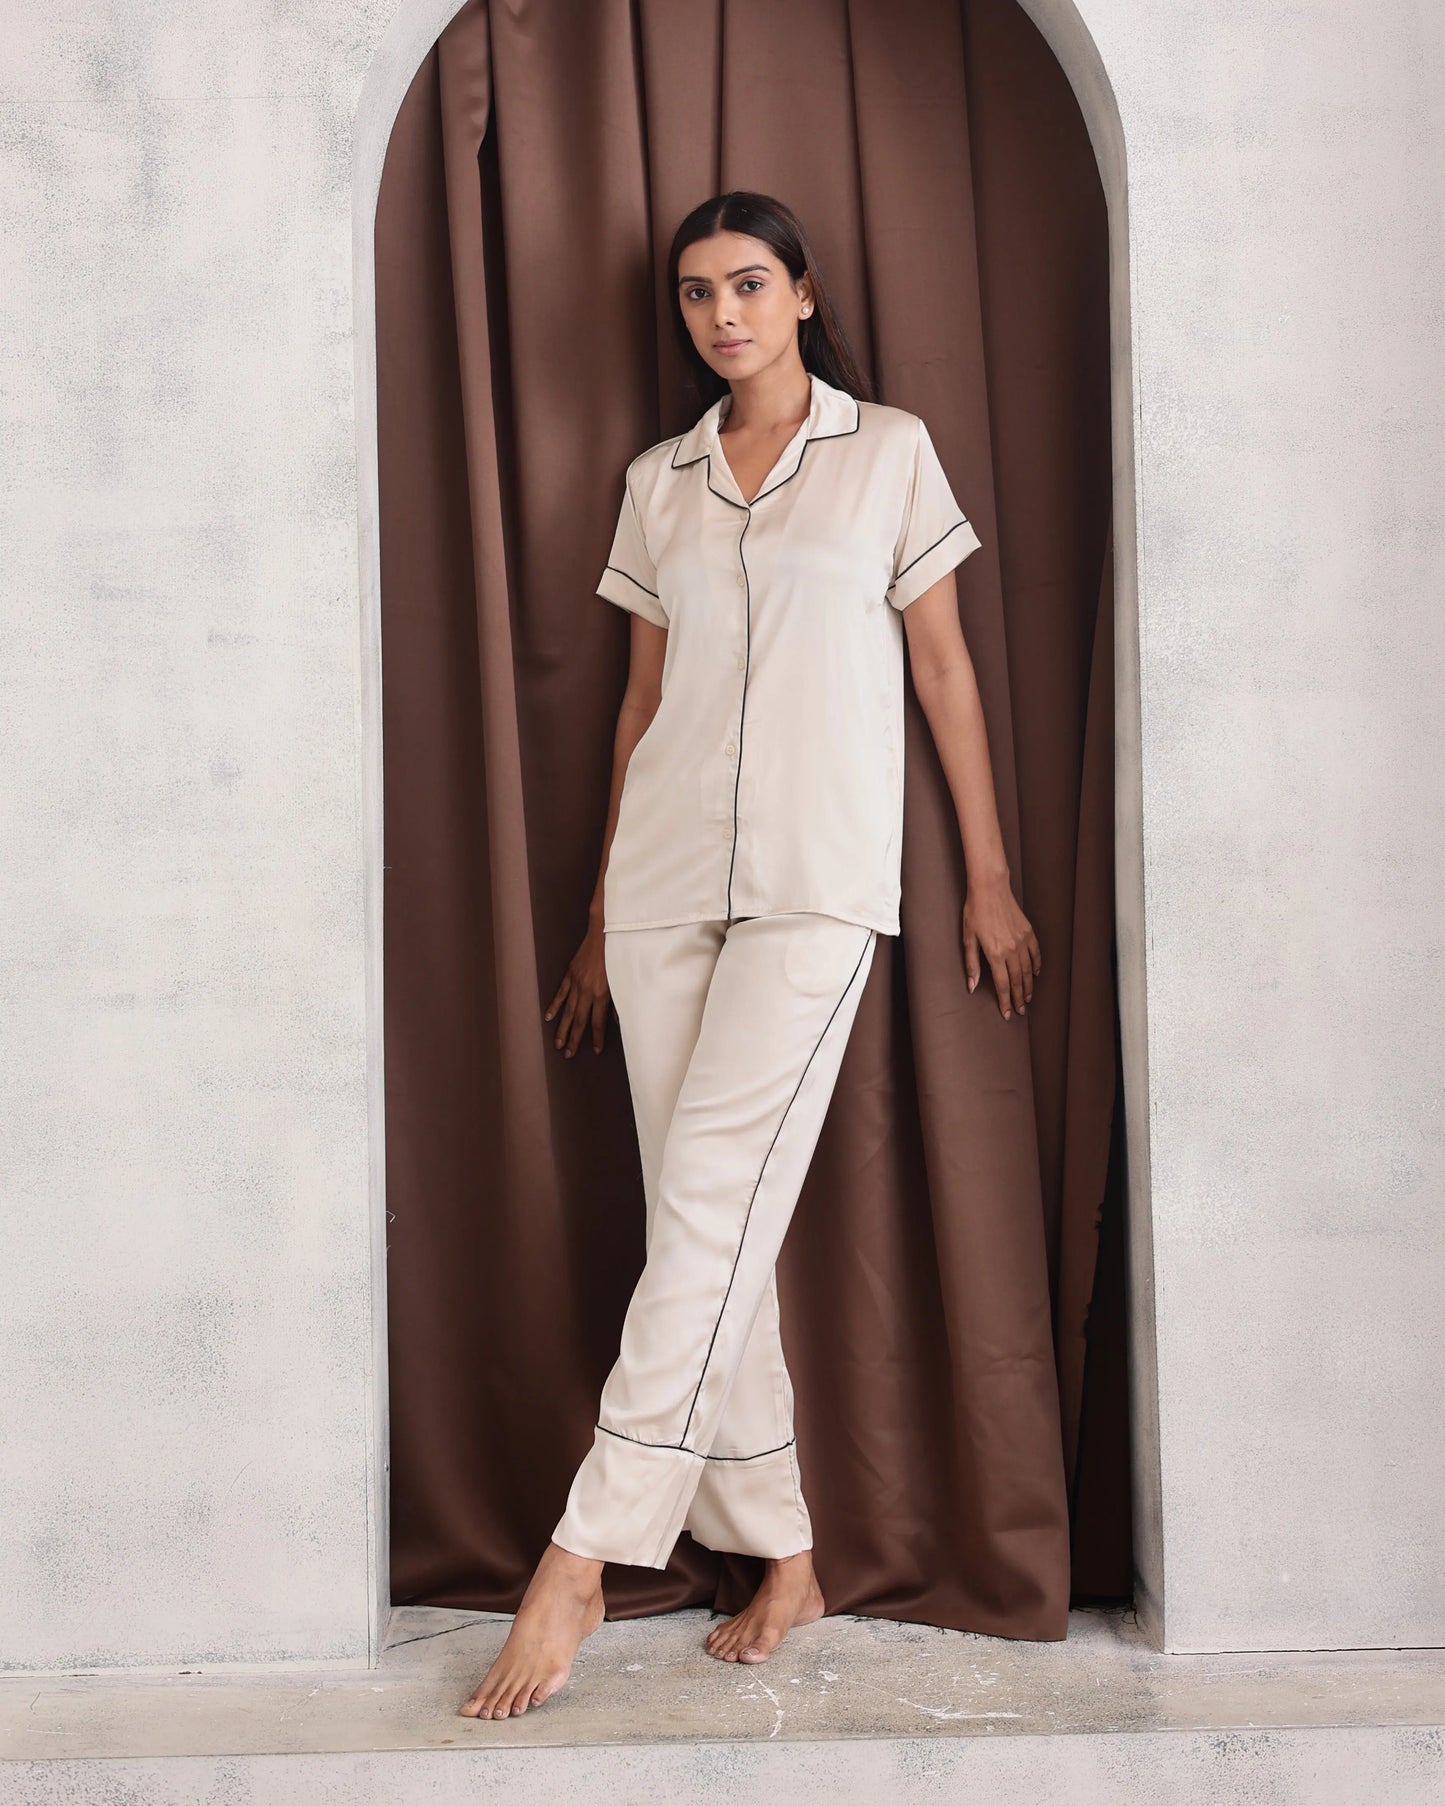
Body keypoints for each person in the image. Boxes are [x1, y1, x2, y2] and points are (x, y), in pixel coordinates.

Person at [460, 190, 1040, 1721]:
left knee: (711, 1202)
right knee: (701, 1220)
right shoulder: (654, 482)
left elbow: (942, 667)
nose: (721, 313)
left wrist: (986, 875)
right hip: (660, 888)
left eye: (747, 284)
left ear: (800, 294)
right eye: (695, 292)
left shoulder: (887, 451)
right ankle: (785, 1548)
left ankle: (584, 1548)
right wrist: (600, 914)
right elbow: (638, 707)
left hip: (814, 880)